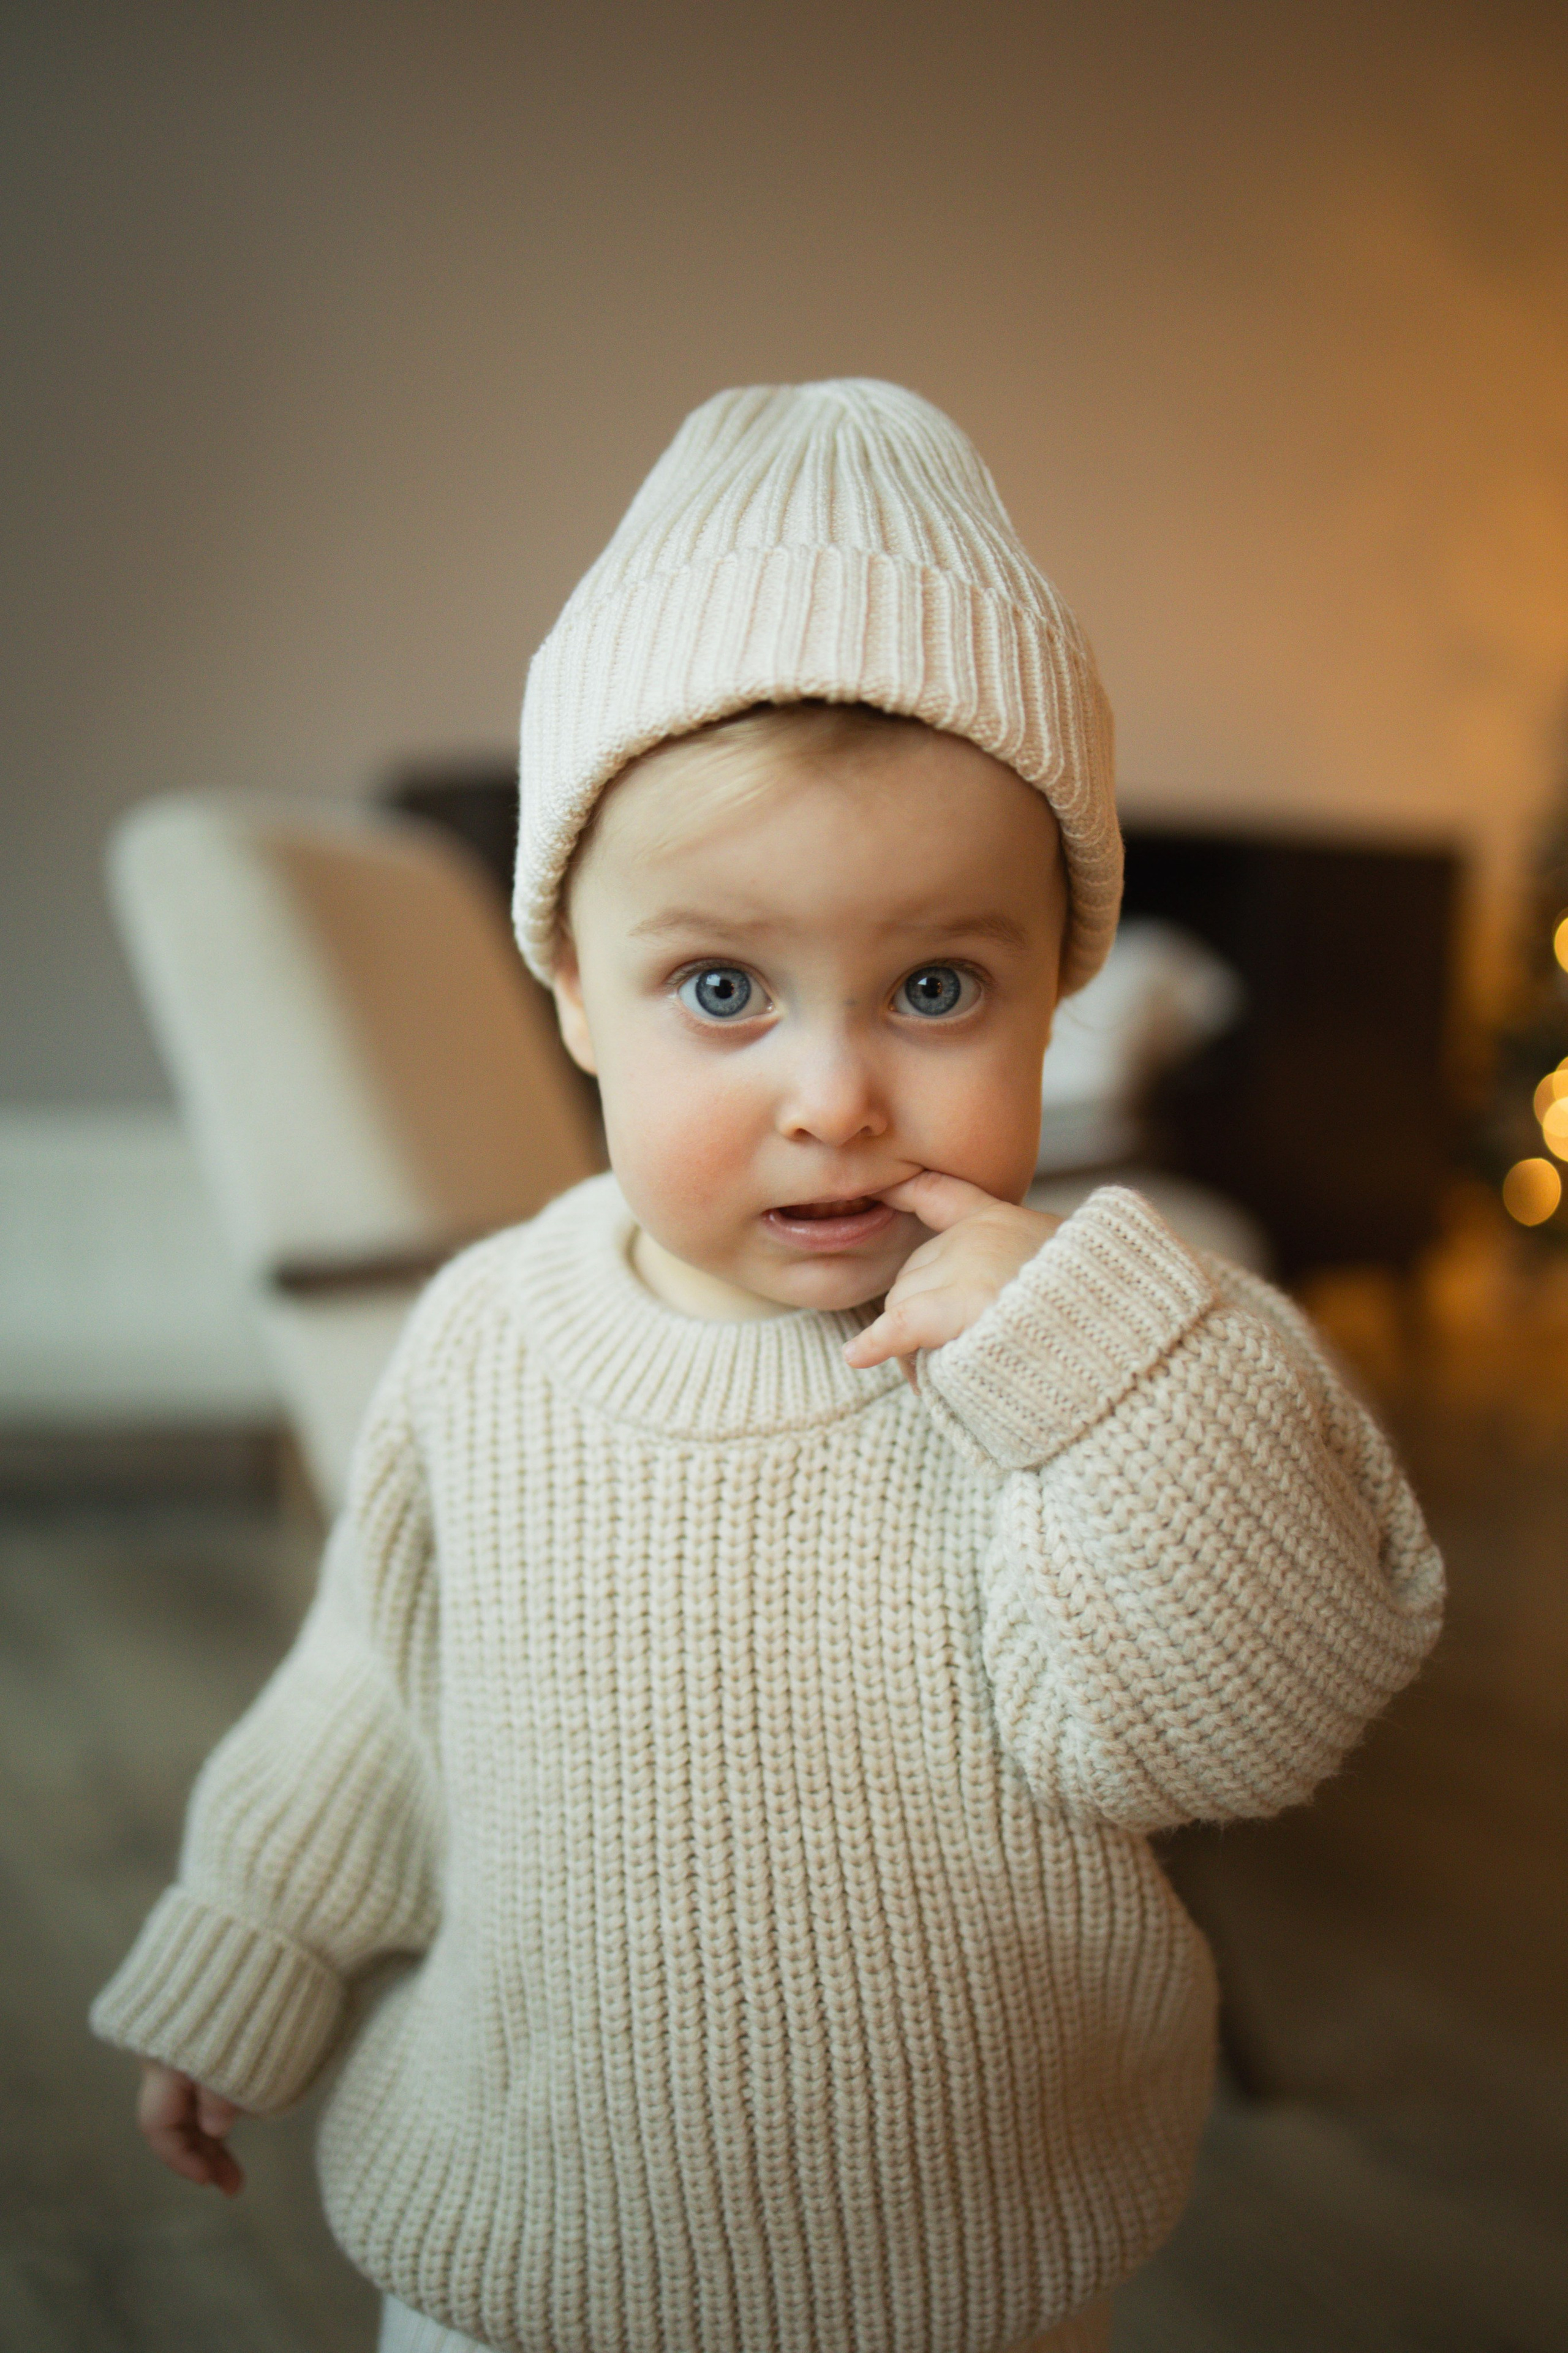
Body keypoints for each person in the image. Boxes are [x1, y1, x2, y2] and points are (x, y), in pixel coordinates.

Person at [92, 380, 1444, 2353]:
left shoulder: (1091, 1361)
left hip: (970, 2267)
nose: (835, 1093)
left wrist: (1120, 1370)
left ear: (1057, 990)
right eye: (722, 988)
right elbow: (378, 1690)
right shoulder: (486, 1341)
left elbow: (1245, 1725)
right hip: (526, 2238)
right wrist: (253, 1933)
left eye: (935, 987)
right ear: (574, 988)